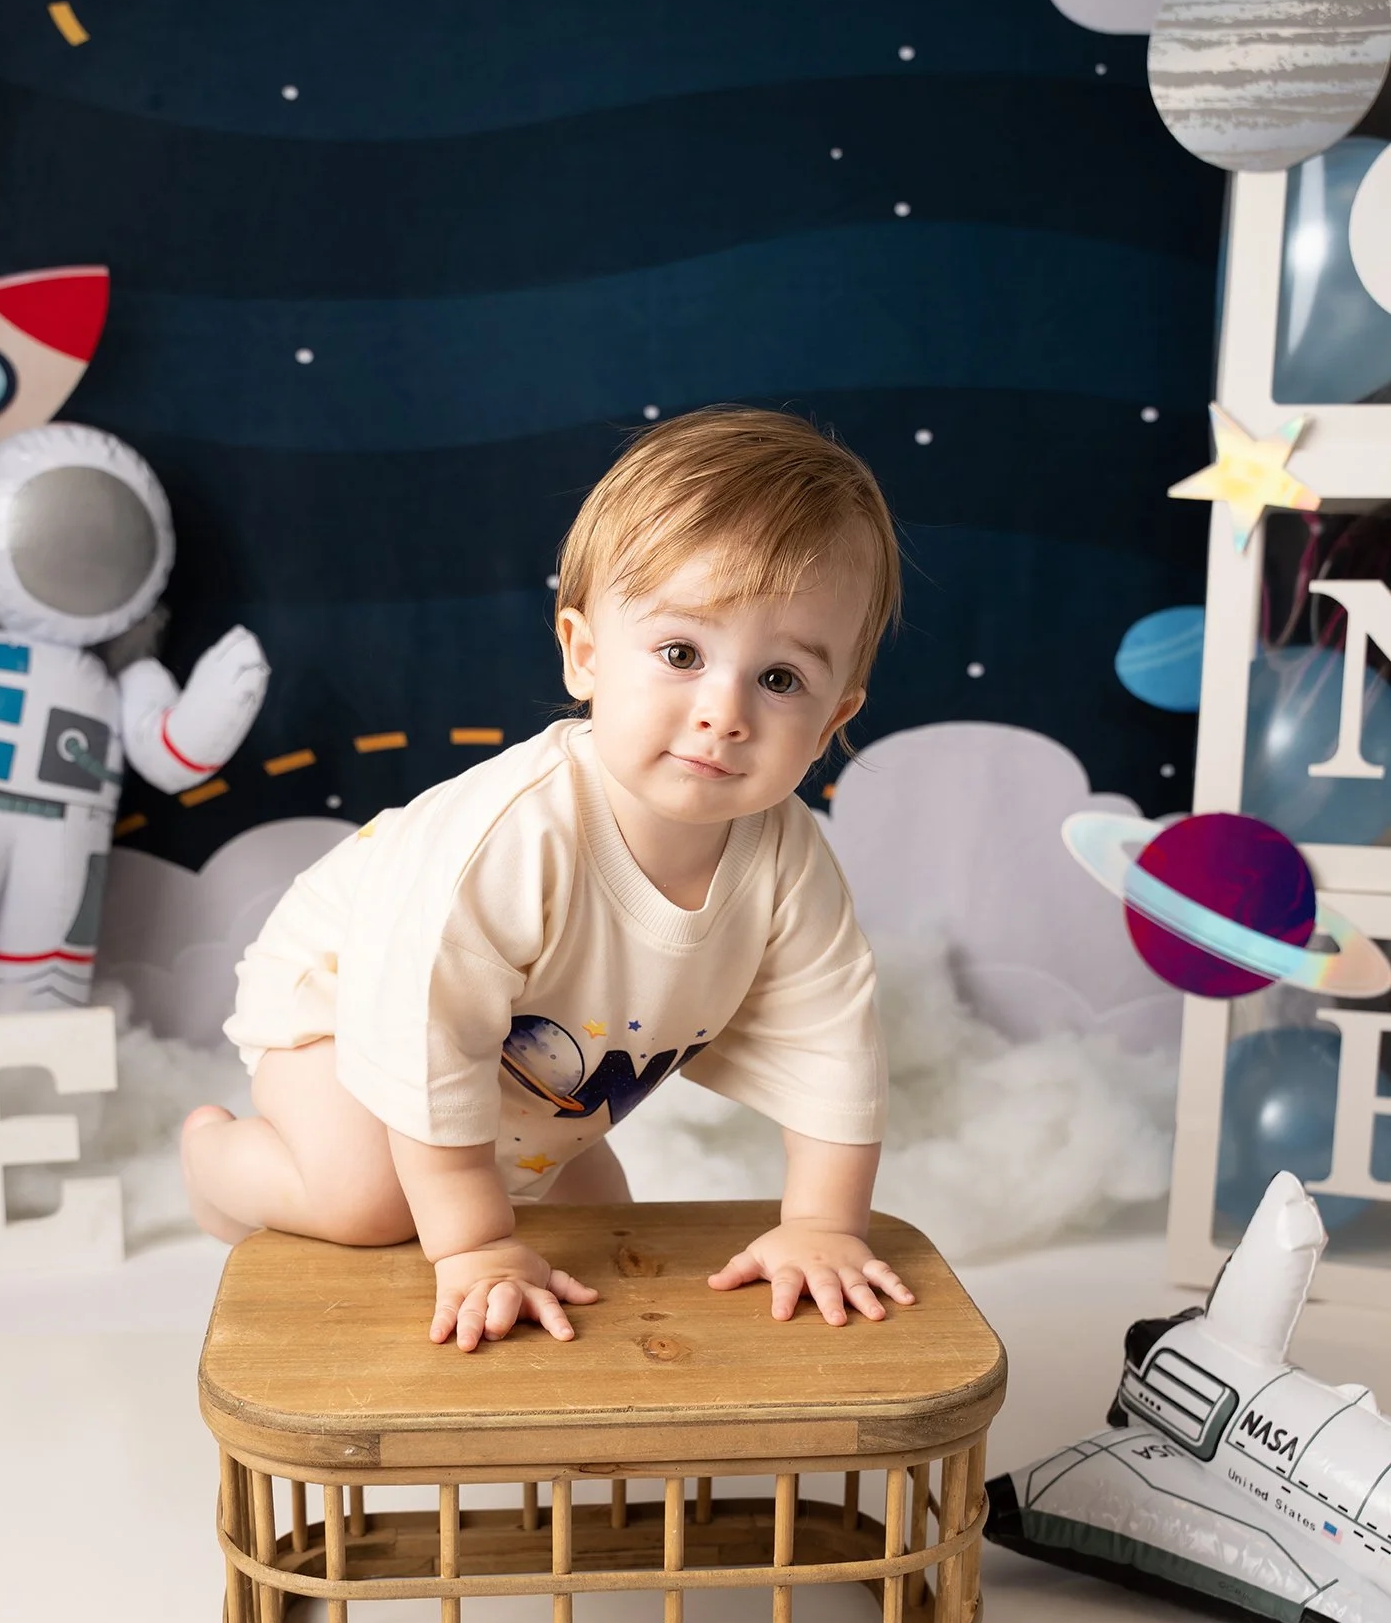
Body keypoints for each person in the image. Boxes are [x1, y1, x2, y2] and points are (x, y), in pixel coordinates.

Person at [182, 405, 912, 1350]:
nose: (723, 712)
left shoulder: (787, 863)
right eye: (682, 653)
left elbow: (834, 1050)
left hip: (536, 1082)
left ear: (831, 720)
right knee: (371, 1198)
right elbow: (423, 1023)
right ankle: (216, 1161)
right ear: (584, 653)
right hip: (353, 1005)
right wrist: (475, 1243)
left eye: (780, 680)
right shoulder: (513, 837)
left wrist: (822, 1225)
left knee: (603, 1223)